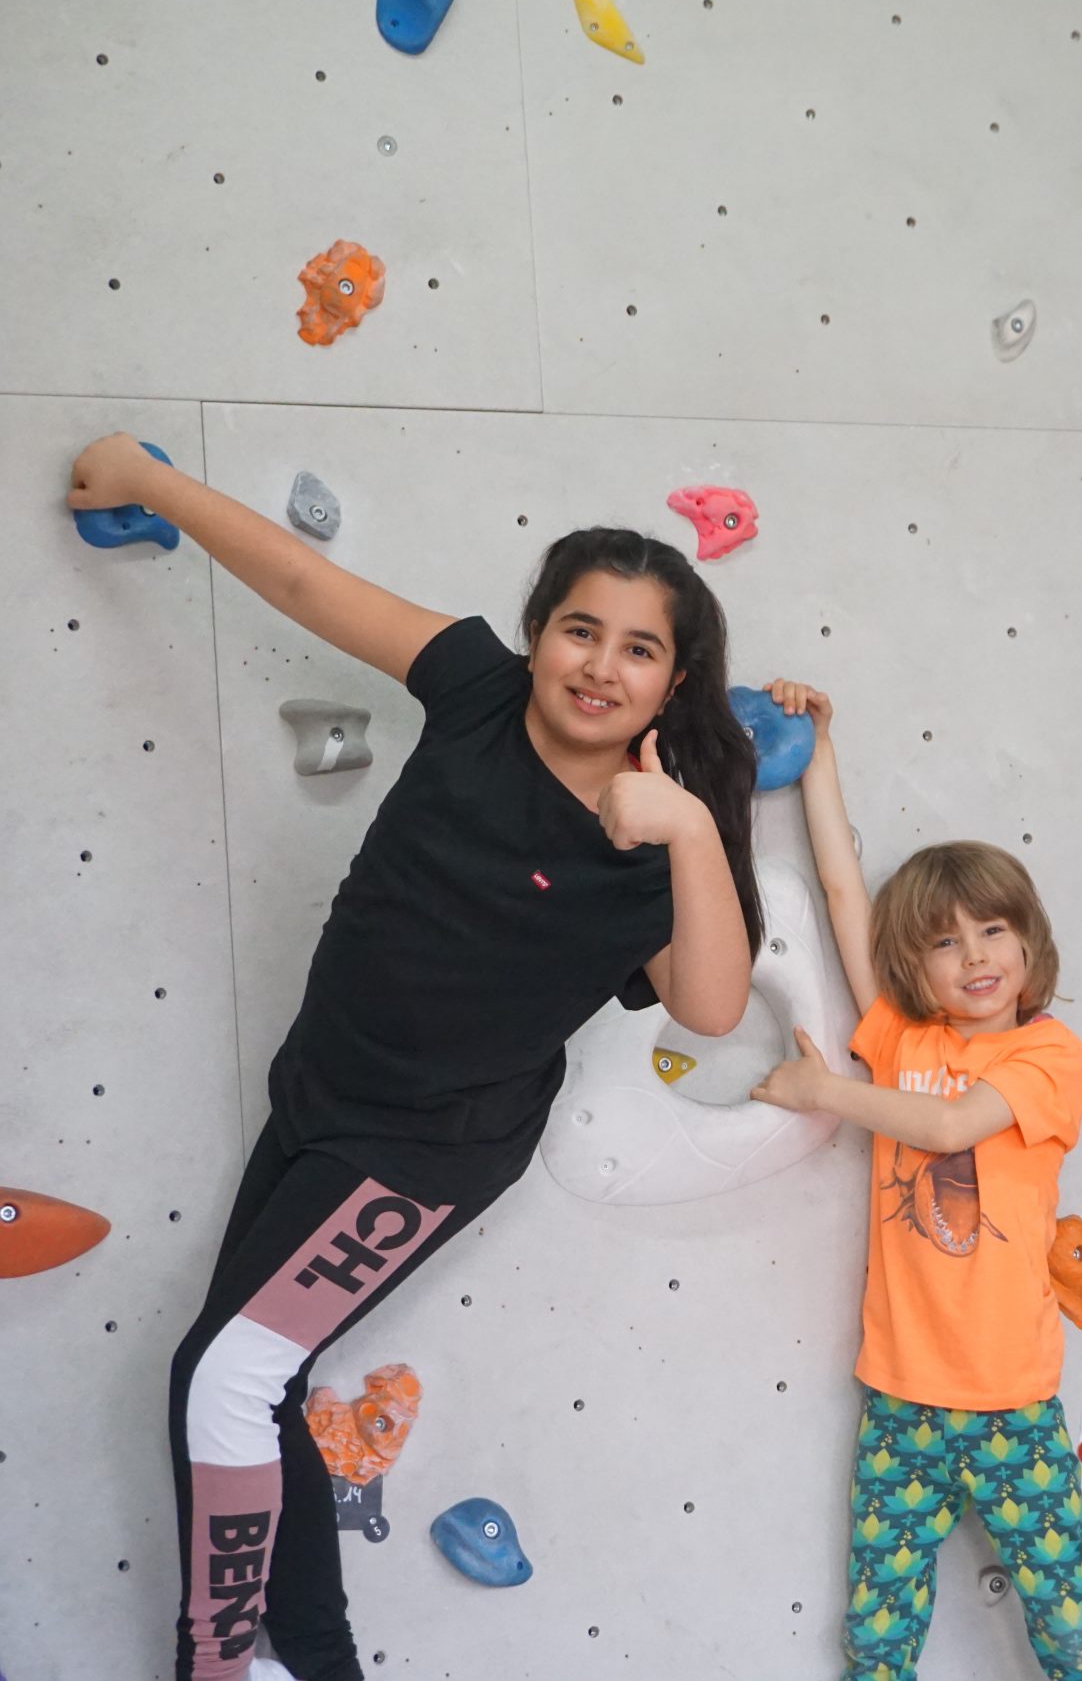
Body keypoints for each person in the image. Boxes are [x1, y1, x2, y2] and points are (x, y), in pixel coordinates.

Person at [62, 433, 762, 1681]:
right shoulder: (478, 692)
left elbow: (709, 1007)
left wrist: (692, 830)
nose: (599, 666)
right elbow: (306, 587)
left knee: (223, 1377)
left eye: (638, 649)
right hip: (321, 1090)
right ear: (537, 634)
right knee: (246, 1384)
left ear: (673, 682)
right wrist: (151, 480)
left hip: (426, 1147)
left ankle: (215, 1662)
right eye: (580, 630)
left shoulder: (662, 839)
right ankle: (306, 1660)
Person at [746, 683, 1082, 1681]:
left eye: (993, 930)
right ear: (913, 965)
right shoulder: (903, 1037)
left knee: (1074, 1628)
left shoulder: (1048, 1056)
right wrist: (817, 752)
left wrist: (820, 1089)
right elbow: (842, 896)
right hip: (899, 1400)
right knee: (876, 1639)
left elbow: (954, 1123)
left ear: (1029, 942)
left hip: (1011, 1401)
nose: (974, 957)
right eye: (944, 940)